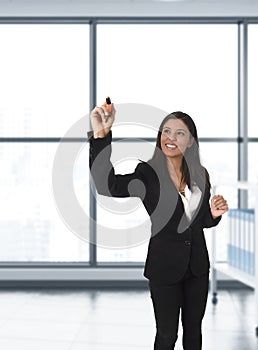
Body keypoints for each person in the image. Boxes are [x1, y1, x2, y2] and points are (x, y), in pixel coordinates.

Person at [88, 101, 228, 350]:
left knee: (194, 332)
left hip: (197, 267)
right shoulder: (147, 173)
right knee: (167, 334)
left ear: (191, 142)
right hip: (164, 267)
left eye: (179, 133)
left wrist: (213, 214)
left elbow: (200, 222)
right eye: (166, 131)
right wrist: (102, 135)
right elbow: (105, 185)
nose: (170, 137)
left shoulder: (201, 174)